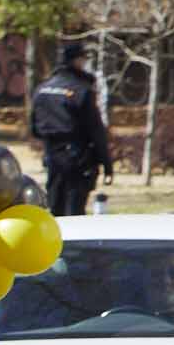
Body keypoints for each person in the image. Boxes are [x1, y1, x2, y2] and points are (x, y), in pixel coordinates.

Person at [29, 43, 111, 217]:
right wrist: (106, 163)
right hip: (78, 159)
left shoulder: (42, 89)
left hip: (52, 157)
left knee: (56, 208)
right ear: (77, 61)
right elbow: (95, 130)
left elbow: (35, 129)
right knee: (74, 211)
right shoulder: (82, 90)